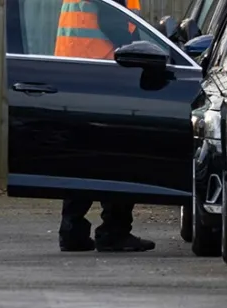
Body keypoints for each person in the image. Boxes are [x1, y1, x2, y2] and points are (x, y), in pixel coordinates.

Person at [54, 0, 157, 253]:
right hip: (105, 77)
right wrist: (145, 54)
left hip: (75, 75)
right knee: (119, 157)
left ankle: (72, 231)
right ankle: (114, 232)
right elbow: (115, 25)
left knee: (84, 158)